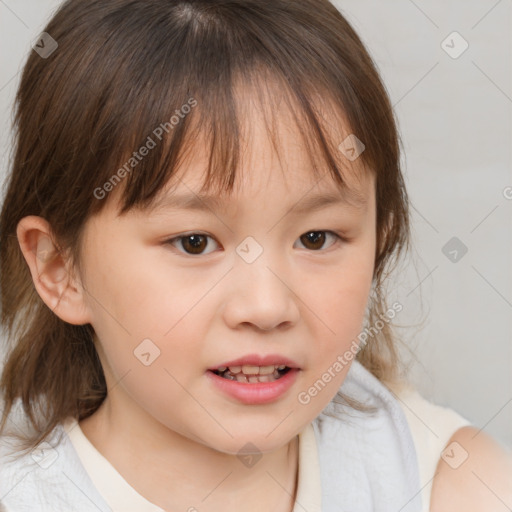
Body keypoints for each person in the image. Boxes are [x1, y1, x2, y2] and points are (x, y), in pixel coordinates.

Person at [0, 0, 510, 511]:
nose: (267, 307)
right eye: (194, 242)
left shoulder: (447, 484)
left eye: (316, 238)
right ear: (59, 268)